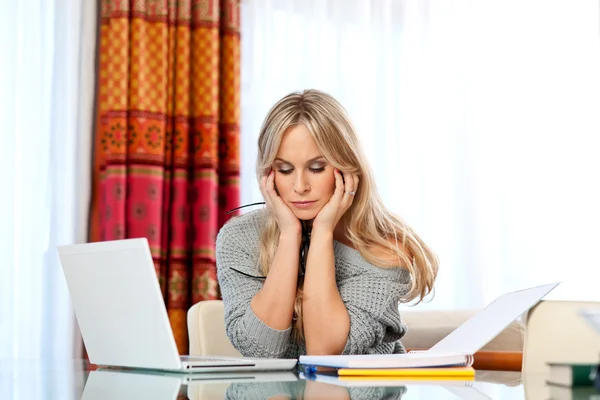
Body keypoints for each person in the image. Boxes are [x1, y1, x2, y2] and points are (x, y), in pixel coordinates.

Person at [216, 89, 438, 358]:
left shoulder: (384, 250)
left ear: (347, 168)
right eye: (285, 170)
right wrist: (289, 234)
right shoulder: (239, 237)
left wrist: (322, 232)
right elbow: (260, 349)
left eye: (317, 167)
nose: (300, 187)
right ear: (268, 174)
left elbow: (325, 353)